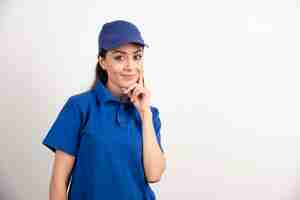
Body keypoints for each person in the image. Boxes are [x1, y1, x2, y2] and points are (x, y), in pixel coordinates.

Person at [42, 20, 166, 200]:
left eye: (136, 56)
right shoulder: (80, 107)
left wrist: (145, 113)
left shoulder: (150, 114)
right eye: (119, 57)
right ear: (102, 61)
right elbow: (58, 182)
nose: (130, 66)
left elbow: (154, 175)